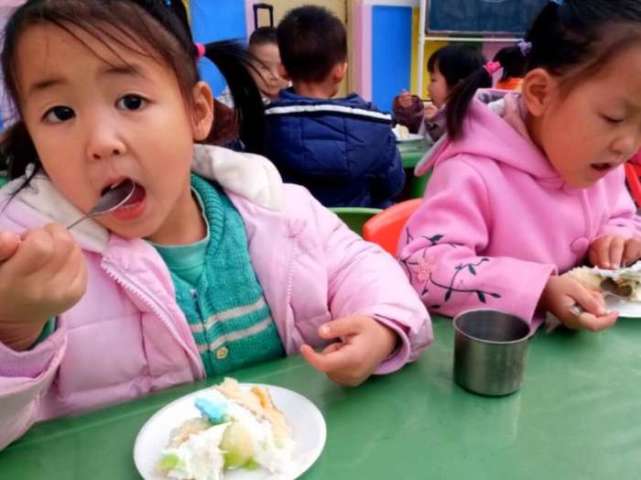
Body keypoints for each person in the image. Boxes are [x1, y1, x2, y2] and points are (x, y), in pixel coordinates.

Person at [0, 0, 432, 450]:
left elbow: (360, 264)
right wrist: (13, 329)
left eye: (131, 101)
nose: (101, 142)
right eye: (60, 113)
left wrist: (383, 325)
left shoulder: (276, 210)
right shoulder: (20, 256)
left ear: (197, 112)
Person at [399, 0, 641, 333]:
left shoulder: (603, 164)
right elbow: (423, 269)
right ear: (540, 94)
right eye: (614, 118)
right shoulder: (473, 171)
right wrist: (538, 290)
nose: (628, 145)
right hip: (491, 354)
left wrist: (618, 238)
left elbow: (622, 216)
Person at [264, 6, 404, 208]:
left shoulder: (262, 125)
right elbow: (393, 185)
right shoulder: (375, 127)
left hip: (290, 228)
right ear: (340, 70)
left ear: (282, 70)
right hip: (358, 228)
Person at [393, 45, 487, 140]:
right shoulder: (439, 115)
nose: (428, 88)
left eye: (433, 80)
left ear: (458, 86)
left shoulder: (470, 129)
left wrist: (438, 122)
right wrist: (408, 109)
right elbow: (413, 132)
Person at [217, 26, 289, 107]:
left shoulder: (296, 92)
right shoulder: (236, 94)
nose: (275, 76)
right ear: (247, 67)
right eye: (265, 68)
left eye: (282, 67)